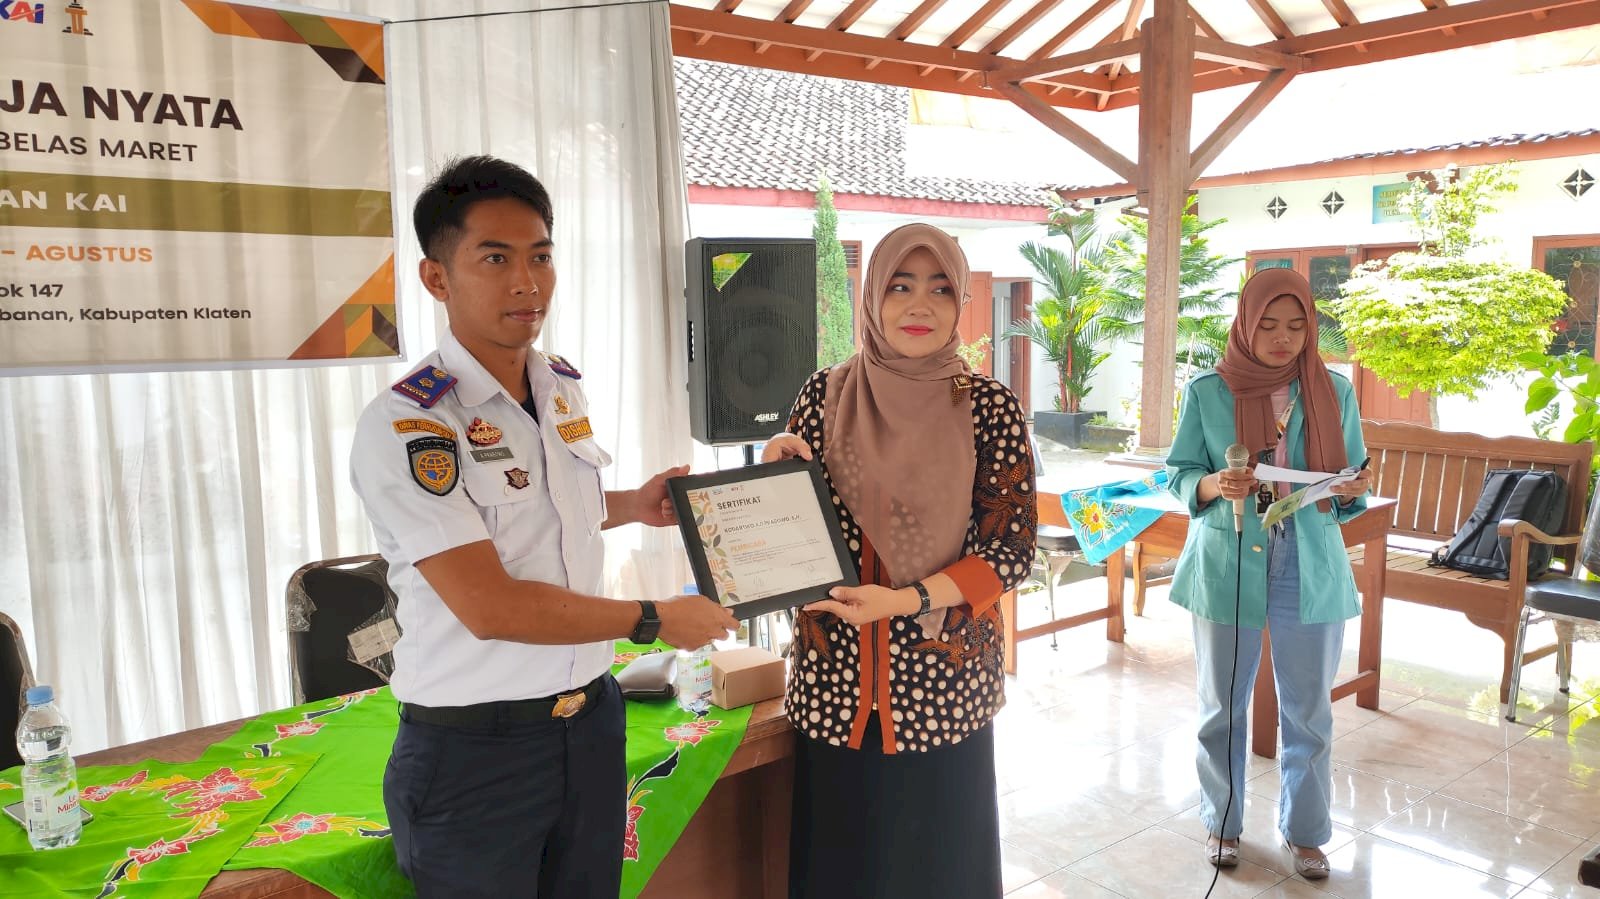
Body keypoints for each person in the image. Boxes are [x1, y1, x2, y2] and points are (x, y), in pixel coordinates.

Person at [349, 155, 736, 897]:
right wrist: (654, 618)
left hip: (589, 727)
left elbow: (549, 512)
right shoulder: (411, 422)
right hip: (475, 752)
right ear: (437, 278)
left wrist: (634, 501)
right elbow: (489, 604)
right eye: (494, 259)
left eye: (541, 256)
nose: (526, 282)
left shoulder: (558, 384)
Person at [762, 223, 1036, 899]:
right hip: (836, 690)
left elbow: (1009, 551)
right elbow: (788, 537)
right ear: (873, 297)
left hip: (944, 694)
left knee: (940, 875)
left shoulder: (987, 408)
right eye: (901, 286)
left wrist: (907, 600)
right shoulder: (823, 397)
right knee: (841, 876)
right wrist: (770, 479)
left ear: (960, 301)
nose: (920, 305)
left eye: (941, 288)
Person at [1165, 268, 1372, 880]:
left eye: (1297, 324)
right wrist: (1211, 482)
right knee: (1220, 704)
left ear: (1312, 327)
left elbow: (1352, 488)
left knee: (1307, 709)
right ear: (1244, 324)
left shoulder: (1335, 391)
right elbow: (1179, 473)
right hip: (1227, 556)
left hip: (1308, 562)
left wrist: (1350, 487)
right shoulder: (1207, 391)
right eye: (1268, 324)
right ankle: (1222, 821)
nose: (1283, 338)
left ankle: (1306, 832)